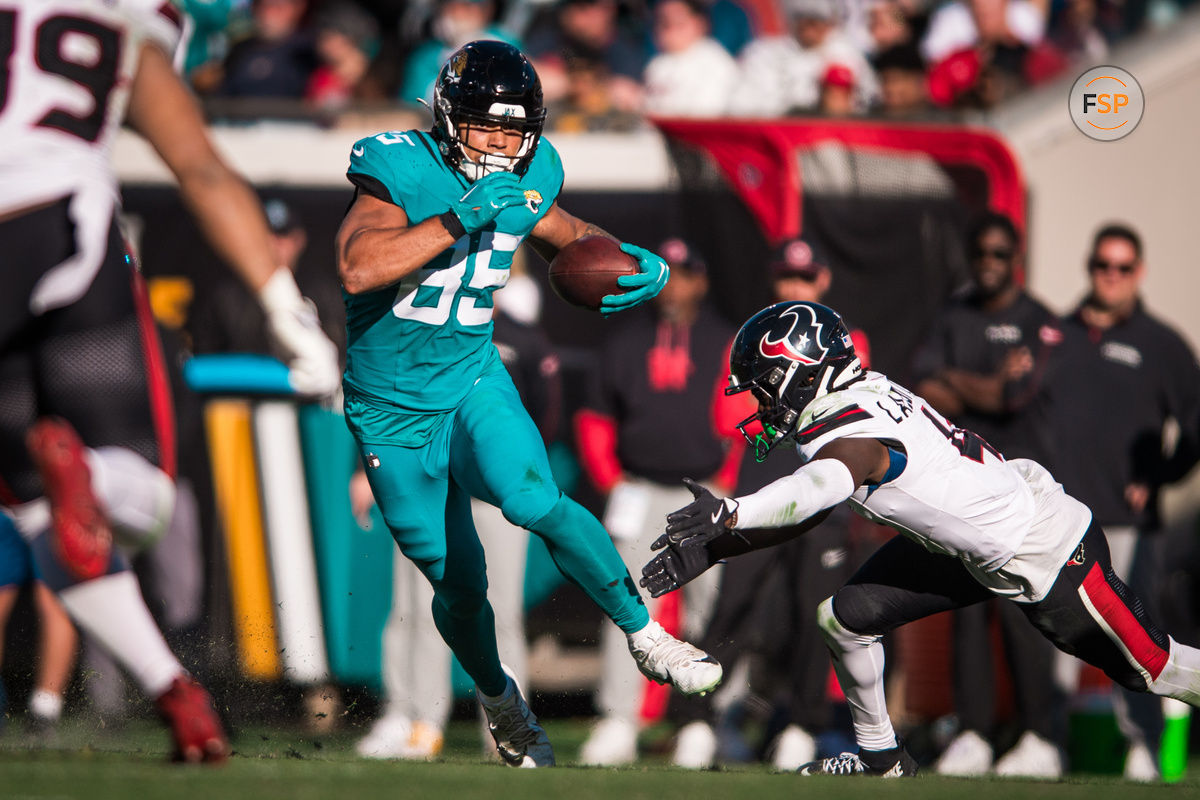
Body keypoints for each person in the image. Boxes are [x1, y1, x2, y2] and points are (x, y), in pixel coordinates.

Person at [334, 39, 722, 769]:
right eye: (486, 127)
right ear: (450, 118)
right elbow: (358, 268)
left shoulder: (534, 169)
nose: (501, 144)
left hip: (474, 378)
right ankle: (497, 699)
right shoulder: (397, 167)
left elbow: (563, 232)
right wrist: (457, 218)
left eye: (515, 131)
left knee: (532, 496)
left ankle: (646, 634)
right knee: (458, 584)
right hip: (390, 410)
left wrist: (625, 255)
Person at [641, 300, 1200, 778]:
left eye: (763, 388)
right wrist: (719, 546)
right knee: (845, 617)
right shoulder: (856, 396)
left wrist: (732, 513)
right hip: (970, 548)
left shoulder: (851, 434)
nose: (760, 405)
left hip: (1044, 548)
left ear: (799, 372)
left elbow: (825, 482)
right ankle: (883, 761)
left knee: (1152, 668)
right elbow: (813, 507)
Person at [0, 0, 340, 763]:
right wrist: (286, 309)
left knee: (33, 510)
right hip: (61, 232)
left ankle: (171, 692)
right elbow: (200, 167)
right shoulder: (109, 19)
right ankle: (89, 473)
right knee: (140, 500)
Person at [669, 239, 870, 770]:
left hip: (824, 488)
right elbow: (722, 415)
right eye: (786, 279)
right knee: (732, 603)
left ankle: (802, 727)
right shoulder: (755, 340)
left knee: (815, 612)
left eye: (804, 280)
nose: (794, 290)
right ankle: (695, 720)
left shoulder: (850, 341)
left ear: (822, 282)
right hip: (762, 480)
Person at [356, 284, 556, 760]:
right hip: (436, 491)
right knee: (420, 610)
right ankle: (421, 720)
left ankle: (510, 728)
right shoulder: (421, 329)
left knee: (502, 613)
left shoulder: (520, 339)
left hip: (494, 499)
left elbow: (546, 418)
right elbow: (388, 402)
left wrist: (517, 477)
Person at [574, 238, 739, 766]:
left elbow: (745, 419)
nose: (675, 285)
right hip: (641, 488)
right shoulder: (626, 340)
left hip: (706, 491)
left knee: (712, 608)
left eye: (686, 273)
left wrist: (729, 484)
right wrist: (612, 480)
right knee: (627, 603)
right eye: (667, 274)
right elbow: (595, 415)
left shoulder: (723, 339)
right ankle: (619, 720)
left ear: (702, 280)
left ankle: (711, 722)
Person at [912, 212, 1065, 777]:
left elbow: (1015, 398)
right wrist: (987, 385)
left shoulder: (1042, 322)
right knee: (967, 614)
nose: (989, 264)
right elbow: (924, 391)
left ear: (1016, 257)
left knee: (1028, 614)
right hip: (966, 490)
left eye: (1000, 254)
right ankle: (973, 733)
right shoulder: (954, 314)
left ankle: (1040, 736)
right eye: (981, 253)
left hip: (1024, 491)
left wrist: (966, 384)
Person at [1047, 223, 1200, 781]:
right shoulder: (1055, 335)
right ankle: (1046, 743)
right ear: (1090, 268)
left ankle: (1143, 745)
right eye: (1102, 266)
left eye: (1123, 267)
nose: (1111, 277)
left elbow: (1196, 425)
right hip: (1056, 523)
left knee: (1132, 635)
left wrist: (1158, 474)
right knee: (1053, 635)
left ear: (1139, 273)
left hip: (1128, 523)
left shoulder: (1162, 344)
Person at [0, 516, 78, 735]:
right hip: (44, 507)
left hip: (32, 506)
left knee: (53, 603)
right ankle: (45, 710)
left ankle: (45, 710)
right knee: (54, 604)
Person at [640, 0, 739, 118]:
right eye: (664, 23)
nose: (671, 30)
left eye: (678, 23)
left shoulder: (715, 61)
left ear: (699, 24)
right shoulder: (656, 65)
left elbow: (703, 115)